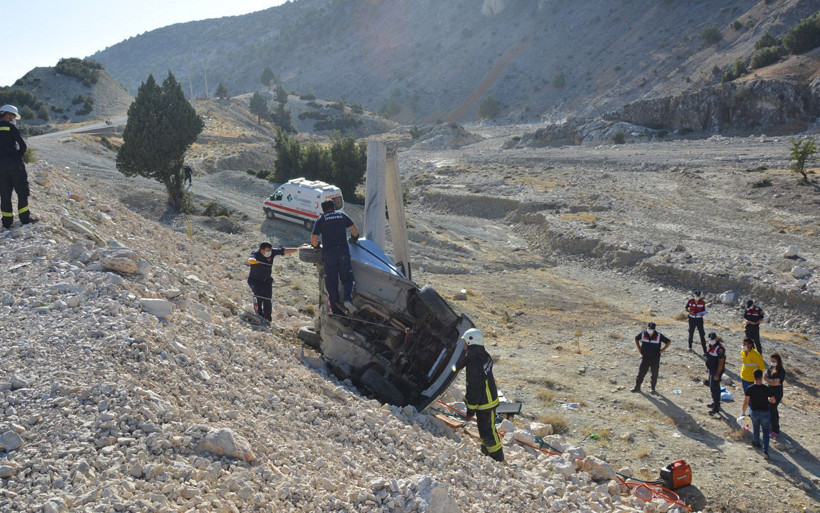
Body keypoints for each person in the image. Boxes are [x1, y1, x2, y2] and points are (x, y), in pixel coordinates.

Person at [459, 328, 504, 462]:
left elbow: (474, 389)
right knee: (484, 429)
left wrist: (470, 411)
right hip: (489, 398)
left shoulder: (474, 363)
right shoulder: (484, 355)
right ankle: (486, 453)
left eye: (465, 343)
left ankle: (497, 458)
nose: (464, 345)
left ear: (470, 342)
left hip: (485, 402)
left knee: (487, 430)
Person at [310, 200, 359, 315]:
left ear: (323, 209)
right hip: (343, 253)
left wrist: (316, 246)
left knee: (331, 283)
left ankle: (336, 311)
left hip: (329, 255)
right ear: (334, 207)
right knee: (348, 279)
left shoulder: (321, 219)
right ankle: (347, 299)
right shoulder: (342, 215)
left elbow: (314, 239)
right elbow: (354, 230)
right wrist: (354, 238)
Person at [0, 105, 33, 229]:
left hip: (1, 166)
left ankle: (7, 222)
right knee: (22, 191)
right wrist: (17, 157)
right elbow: (23, 146)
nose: (13, 118)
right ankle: (24, 219)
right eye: (13, 116)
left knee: (5, 193)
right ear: (7, 114)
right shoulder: (11, 128)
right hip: (14, 165)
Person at [247, 241, 297, 322]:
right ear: (262, 250)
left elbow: (283, 251)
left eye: (269, 250)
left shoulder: (272, 252)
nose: (269, 252)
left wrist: (297, 249)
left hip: (266, 280)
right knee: (258, 294)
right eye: (267, 250)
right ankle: (259, 315)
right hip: (254, 280)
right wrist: (253, 260)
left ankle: (268, 319)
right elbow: (251, 258)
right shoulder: (256, 254)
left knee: (267, 299)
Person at [742, 369, 776, 459]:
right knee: (765, 431)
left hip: (754, 411)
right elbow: (773, 400)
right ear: (762, 377)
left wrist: (743, 412)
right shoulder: (767, 388)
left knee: (756, 427)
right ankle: (765, 450)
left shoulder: (749, 388)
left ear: (753, 377)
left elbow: (746, 402)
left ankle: (756, 443)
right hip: (765, 412)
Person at [631, 322, 671, 395]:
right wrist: (639, 349)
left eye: (651, 329)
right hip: (645, 357)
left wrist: (662, 350)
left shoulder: (659, 335)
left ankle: (653, 389)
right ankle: (637, 387)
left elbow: (668, 342)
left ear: (654, 329)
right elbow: (636, 339)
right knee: (641, 372)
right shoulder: (643, 333)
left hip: (655, 358)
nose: (649, 330)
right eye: (648, 328)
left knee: (654, 373)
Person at [764, 353, 786, 439]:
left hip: (777, 393)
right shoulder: (771, 368)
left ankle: (775, 430)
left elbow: (776, 382)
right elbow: (765, 377)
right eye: (771, 361)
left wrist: (769, 381)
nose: (772, 362)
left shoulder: (781, 371)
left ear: (778, 361)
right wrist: (771, 381)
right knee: (771, 409)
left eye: (774, 361)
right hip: (770, 391)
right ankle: (772, 425)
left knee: (773, 409)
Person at [704, 332, 726, 415]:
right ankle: (715, 402)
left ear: (716, 338)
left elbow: (721, 363)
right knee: (712, 387)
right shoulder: (710, 345)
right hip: (711, 369)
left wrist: (717, 374)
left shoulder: (720, 348)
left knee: (715, 388)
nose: (711, 341)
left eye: (713, 339)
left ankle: (716, 407)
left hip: (716, 370)